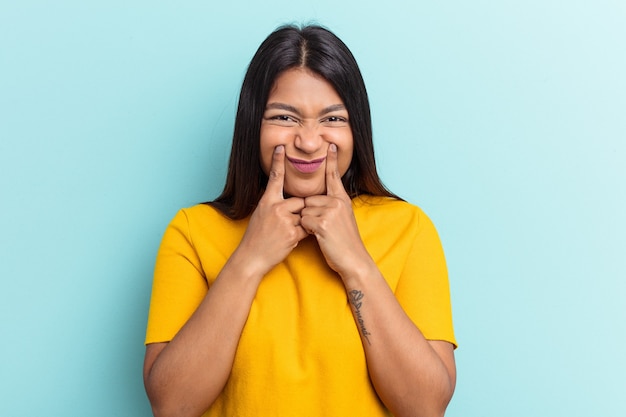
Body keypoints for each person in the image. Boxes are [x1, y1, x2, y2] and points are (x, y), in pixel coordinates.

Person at [143, 24, 457, 417]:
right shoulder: (192, 232)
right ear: (252, 124)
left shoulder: (409, 229)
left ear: (356, 129)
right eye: (285, 117)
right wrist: (250, 258)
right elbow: (171, 406)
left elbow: (426, 407)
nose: (309, 142)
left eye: (333, 119)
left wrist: (356, 262)